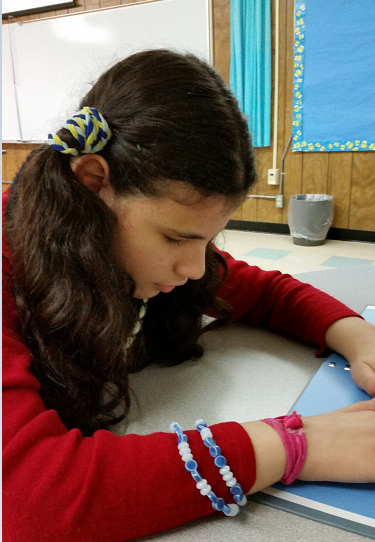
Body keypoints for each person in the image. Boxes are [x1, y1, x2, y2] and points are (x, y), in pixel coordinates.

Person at [2, 49, 375, 542]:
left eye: (209, 239)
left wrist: (358, 337)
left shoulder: (123, 245)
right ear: (92, 182)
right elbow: (29, 497)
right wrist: (292, 446)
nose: (196, 267)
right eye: (175, 239)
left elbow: (265, 291)